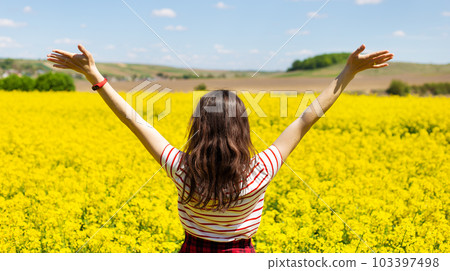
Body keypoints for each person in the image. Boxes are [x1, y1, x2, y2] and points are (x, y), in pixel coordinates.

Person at [47, 44, 393, 253]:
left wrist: (95, 76)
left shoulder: (180, 169)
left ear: (197, 128)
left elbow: (134, 120)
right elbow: (307, 118)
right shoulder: (261, 169)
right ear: (242, 129)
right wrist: (349, 72)